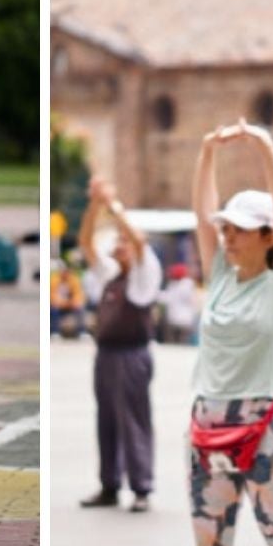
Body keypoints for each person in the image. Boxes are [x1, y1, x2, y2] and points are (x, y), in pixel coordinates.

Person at [186, 119, 273, 546]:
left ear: (269, 236)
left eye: (241, 230)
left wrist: (264, 145)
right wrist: (207, 152)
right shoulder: (220, 273)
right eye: (227, 228)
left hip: (266, 428)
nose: (229, 237)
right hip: (208, 424)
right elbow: (201, 215)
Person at [76, 177, 162, 513]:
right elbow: (85, 241)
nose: (116, 247)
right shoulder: (110, 274)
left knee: (134, 419)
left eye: (120, 242)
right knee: (107, 419)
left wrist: (113, 205)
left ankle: (141, 486)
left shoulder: (144, 274)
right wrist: (95, 205)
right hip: (107, 353)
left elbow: (139, 240)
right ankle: (109, 483)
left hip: (132, 354)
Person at [158, 262, 198, 345]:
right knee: (178, 345)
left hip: (182, 321)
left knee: (179, 345)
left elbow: (168, 298)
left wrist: (155, 294)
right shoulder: (185, 284)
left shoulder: (184, 285)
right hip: (180, 320)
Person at [50, 261, 85, 337]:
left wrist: (72, 302)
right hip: (58, 305)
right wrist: (64, 303)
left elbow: (78, 294)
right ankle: (55, 331)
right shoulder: (54, 279)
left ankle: (82, 331)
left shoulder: (74, 279)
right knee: (54, 309)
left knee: (80, 309)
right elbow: (52, 296)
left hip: (70, 304)